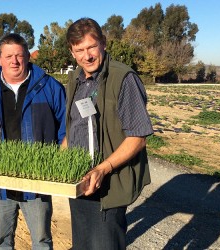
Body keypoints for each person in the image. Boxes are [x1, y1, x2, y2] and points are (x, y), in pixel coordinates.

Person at [0, 33, 66, 249]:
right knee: (1, 241)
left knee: (41, 241)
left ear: (28, 56)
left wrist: (60, 168)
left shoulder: (50, 87)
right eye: (8, 56)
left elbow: (67, 128)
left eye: (19, 55)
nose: (14, 61)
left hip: (38, 181)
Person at [63, 18, 154, 250]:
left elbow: (138, 137)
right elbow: (74, 126)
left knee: (104, 244)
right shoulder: (75, 78)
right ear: (72, 52)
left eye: (91, 47)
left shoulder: (123, 78)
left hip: (107, 183)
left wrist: (102, 169)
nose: (87, 56)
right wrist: (59, 161)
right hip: (78, 180)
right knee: (82, 243)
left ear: (103, 44)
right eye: (80, 50)